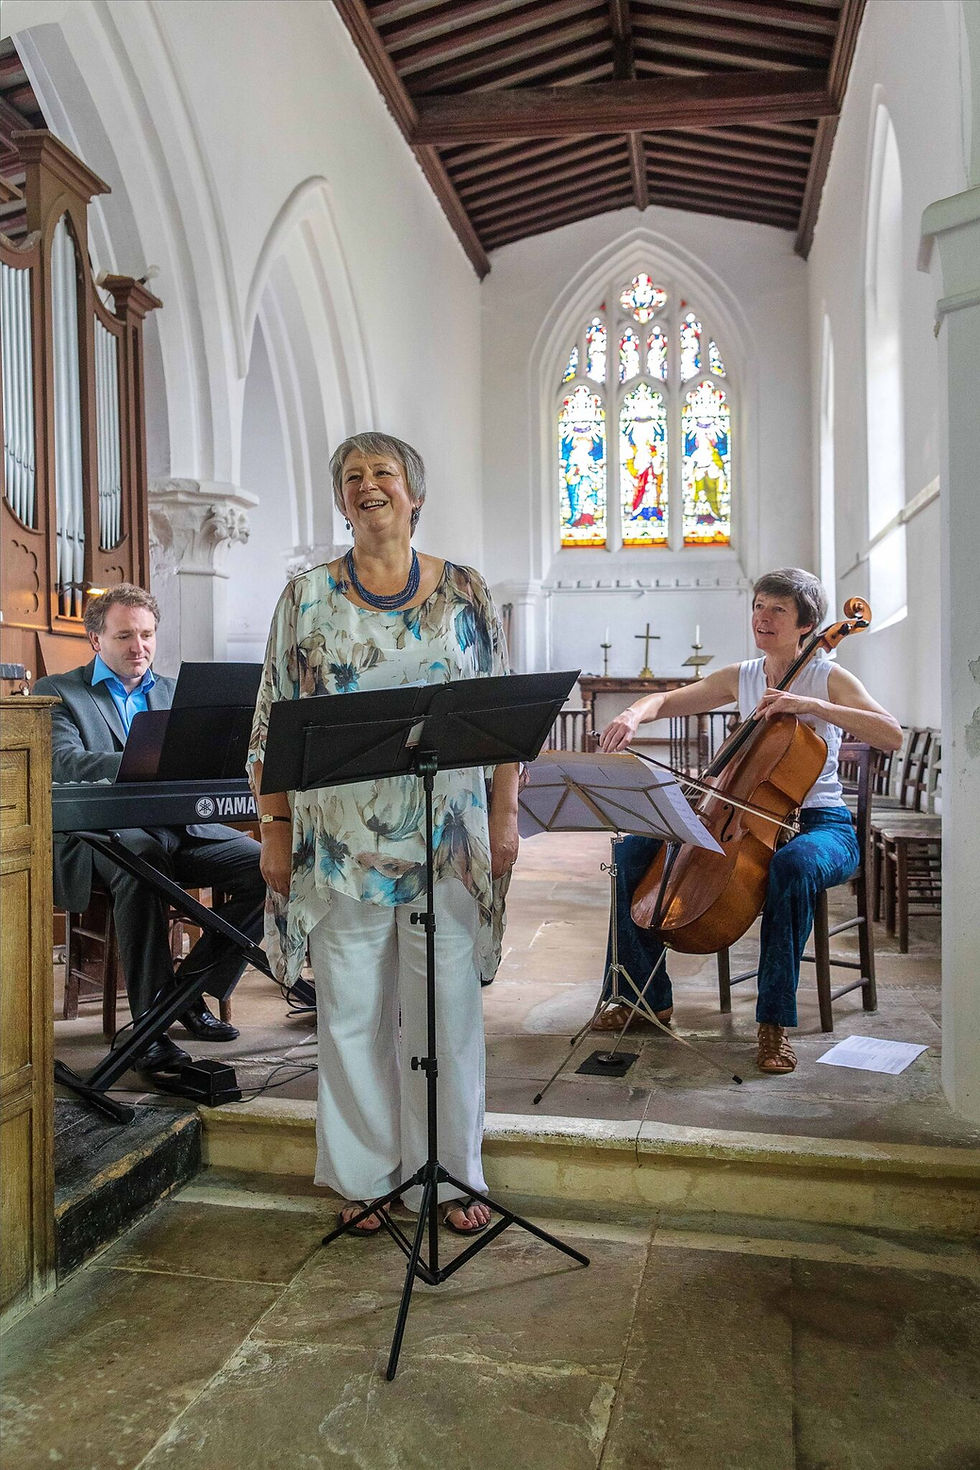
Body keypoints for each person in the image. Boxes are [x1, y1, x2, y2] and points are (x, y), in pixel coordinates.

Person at [249, 432, 519, 1236]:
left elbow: (502, 711)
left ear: (415, 494)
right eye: (353, 477)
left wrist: (505, 815)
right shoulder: (304, 596)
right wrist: (274, 827)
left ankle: (450, 1174)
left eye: (384, 473)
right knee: (354, 1009)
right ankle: (366, 1175)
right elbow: (271, 717)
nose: (369, 485)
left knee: (448, 1008)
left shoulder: (466, 589)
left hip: (450, 832)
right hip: (338, 838)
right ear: (341, 501)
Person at [597, 568, 902, 1074]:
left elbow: (890, 734)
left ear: (806, 623)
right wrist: (633, 714)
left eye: (777, 609)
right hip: (744, 818)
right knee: (631, 851)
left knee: (793, 866)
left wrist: (809, 704)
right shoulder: (743, 675)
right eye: (758, 606)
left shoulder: (828, 676)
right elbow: (667, 700)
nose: (762, 617)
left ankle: (773, 1023)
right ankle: (642, 996)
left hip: (821, 824)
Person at [34, 585, 265, 1074]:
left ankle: (187, 993)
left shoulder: (175, 692)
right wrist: (147, 758)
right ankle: (151, 1035)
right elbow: (63, 762)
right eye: (124, 636)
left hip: (181, 829)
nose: (138, 646)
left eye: (147, 635)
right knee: (141, 863)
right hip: (98, 836)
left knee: (265, 865)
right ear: (96, 639)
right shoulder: (58, 692)